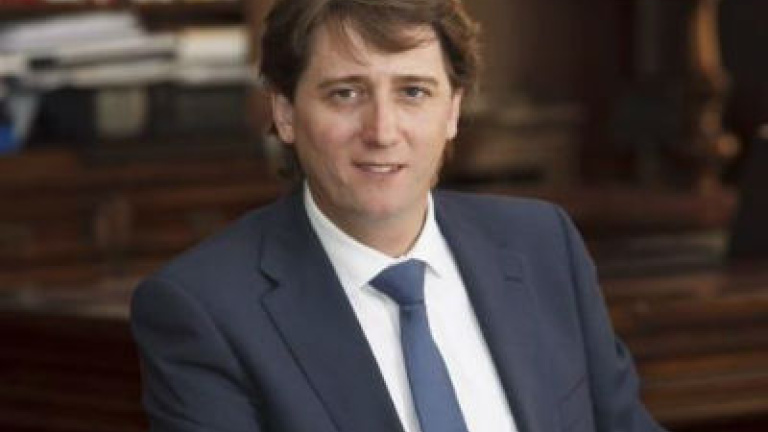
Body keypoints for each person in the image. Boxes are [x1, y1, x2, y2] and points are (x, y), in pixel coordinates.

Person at [130, 0, 668, 431]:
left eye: (413, 91)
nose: (383, 131)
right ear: (285, 112)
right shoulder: (204, 311)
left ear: (452, 110)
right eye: (346, 94)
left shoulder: (542, 245)